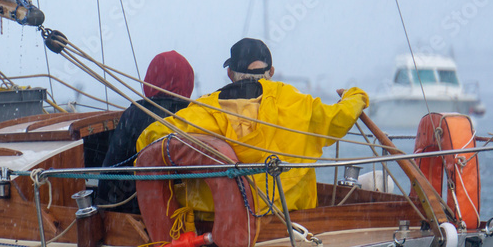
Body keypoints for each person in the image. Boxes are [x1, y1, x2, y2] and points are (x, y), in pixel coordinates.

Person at [135, 38, 369, 216]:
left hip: (221, 221)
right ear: (272, 72)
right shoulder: (295, 102)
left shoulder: (206, 108)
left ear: (229, 73)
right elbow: (339, 117)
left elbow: (150, 139)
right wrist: (354, 95)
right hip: (294, 220)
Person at [97, 50, 195, 211]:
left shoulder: (134, 116)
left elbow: (112, 171)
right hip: (187, 215)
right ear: (188, 81)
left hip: (139, 213)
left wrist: (102, 206)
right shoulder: (195, 116)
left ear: (149, 80)